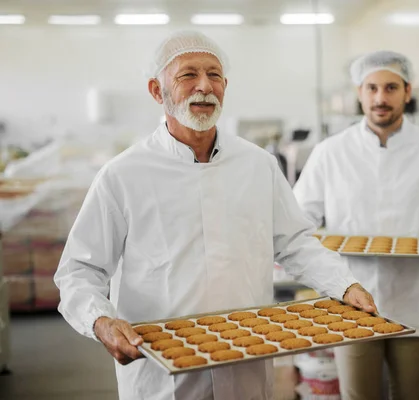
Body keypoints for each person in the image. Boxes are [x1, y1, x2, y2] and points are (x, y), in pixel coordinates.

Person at [53, 30, 377, 400]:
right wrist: (101, 321)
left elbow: (295, 244)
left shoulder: (257, 165)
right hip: (162, 371)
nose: (204, 86)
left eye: (215, 75)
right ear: (158, 91)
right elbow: (79, 270)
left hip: (246, 360)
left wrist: (344, 285)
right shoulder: (123, 175)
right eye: (188, 75)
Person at [292, 50, 419, 400]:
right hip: (350, 300)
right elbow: (299, 219)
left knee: (413, 395)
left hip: (415, 299)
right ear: (359, 92)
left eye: (390, 88)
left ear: (407, 90)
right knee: (359, 396)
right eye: (371, 88)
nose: (380, 98)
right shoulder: (330, 152)